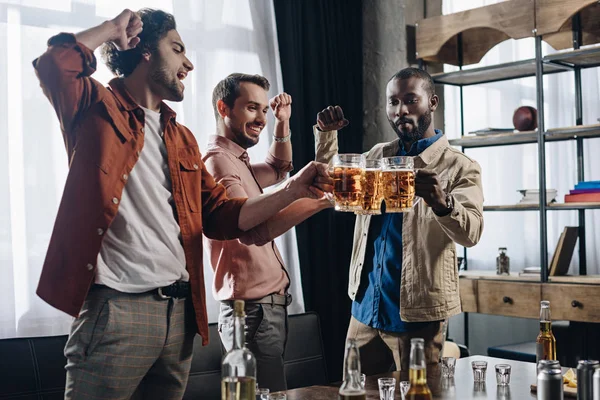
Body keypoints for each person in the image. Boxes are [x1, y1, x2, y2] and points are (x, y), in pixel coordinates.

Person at [33, 9, 332, 399]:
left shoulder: (183, 139)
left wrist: (295, 188)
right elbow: (55, 65)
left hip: (180, 317)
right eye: (177, 49)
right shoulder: (96, 109)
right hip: (118, 310)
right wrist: (111, 30)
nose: (188, 63)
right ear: (141, 50)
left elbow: (227, 218)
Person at [314, 68, 484, 378]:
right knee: (355, 395)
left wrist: (441, 202)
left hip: (417, 315)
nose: (400, 110)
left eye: (410, 100)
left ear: (432, 102)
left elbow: (472, 233)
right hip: (365, 307)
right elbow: (332, 186)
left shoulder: (460, 166)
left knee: (419, 395)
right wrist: (327, 135)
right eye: (393, 102)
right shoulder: (378, 155)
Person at [204, 73, 332, 391]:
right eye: (252, 108)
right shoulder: (219, 163)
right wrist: (319, 201)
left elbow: (278, 167)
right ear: (224, 107)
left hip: (261, 309)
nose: (261, 117)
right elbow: (254, 229)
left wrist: (281, 122)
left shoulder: (237, 159)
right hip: (252, 311)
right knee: (266, 396)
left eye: (264, 110)